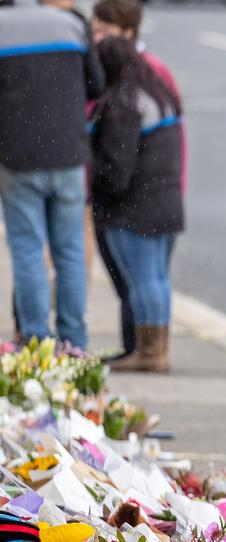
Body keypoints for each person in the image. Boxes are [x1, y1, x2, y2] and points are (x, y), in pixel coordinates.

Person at [0, 0, 103, 350]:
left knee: (28, 250)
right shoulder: (70, 23)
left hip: (18, 159)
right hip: (69, 155)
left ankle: (35, 340)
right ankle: (74, 341)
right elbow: (96, 83)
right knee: (70, 251)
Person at [90, 0, 186, 360]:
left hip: (134, 206)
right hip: (165, 196)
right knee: (156, 278)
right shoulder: (156, 88)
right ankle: (155, 349)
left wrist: (94, 181)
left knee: (142, 279)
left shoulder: (122, 101)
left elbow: (116, 167)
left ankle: (148, 354)